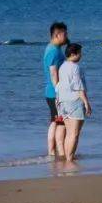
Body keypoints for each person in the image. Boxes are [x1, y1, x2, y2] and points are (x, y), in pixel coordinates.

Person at [56, 42, 90, 161]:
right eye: (80, 53)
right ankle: (69, 159)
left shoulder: (62, 66)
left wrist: (58, 100)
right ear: (73, 54)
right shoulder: (75, 67)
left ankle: (68, 157)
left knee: (69, 133)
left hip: (63, 102)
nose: (81, 55)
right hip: (74, 101)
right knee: (74, 133)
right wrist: (87, 103)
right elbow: (78, 87)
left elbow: (60, 85)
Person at [43, 21, 68, 158]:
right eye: (65, 33)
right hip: (55, 92)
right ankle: (60, 152)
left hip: (51, 92)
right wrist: (60, 92)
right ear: (57, 35)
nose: (67, 36)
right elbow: (53, 72)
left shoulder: (53, 48)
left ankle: (52, 152)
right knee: (60, 122)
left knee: (54, 121)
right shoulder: (53, 51)